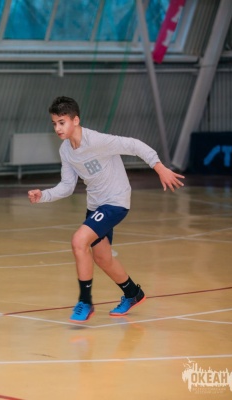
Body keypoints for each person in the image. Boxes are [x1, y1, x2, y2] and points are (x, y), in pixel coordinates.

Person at [28, 96, 185, 323]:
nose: (57, 128)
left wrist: (159, 167)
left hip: (115, 201)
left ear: (75, 120)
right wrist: (43, 195)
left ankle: (85, 302)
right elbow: (67, 186)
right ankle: (133, 293)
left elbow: (133, 145)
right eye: (54, 123)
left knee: (79, 241)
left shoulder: (97, 141)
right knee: (102, 258)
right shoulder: (66, 150)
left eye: (62, 122)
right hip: (96, 206)